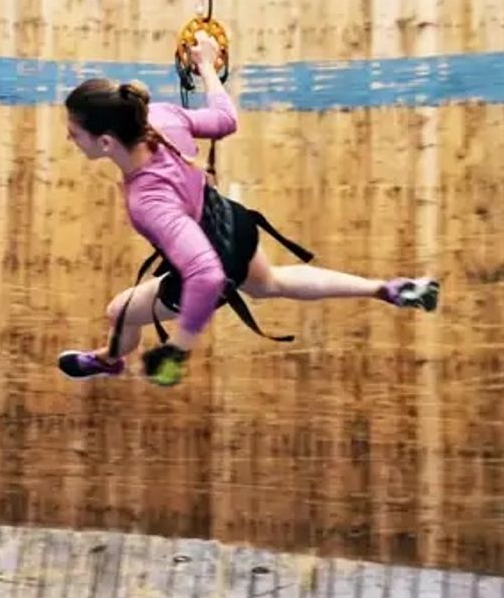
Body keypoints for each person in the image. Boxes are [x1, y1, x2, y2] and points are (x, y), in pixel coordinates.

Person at [56, 31, 440, 386]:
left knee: (118, 311)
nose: (68, 138)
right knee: (270, 283)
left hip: (216, 260)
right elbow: (225, 120)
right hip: (234, 225)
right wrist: (206, 64)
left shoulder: (148, 202)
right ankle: (386, 289)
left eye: (74, 134)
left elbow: (205, 275)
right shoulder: (161, 116)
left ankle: (110, 359)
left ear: (106, 142)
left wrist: (179, 348)